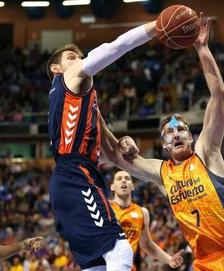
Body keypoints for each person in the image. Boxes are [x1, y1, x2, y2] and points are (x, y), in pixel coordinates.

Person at [100, 16, 224, 271]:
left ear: (191, 136)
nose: (177, 134)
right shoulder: (162, 172)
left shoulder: (206, 151)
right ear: (164, 146)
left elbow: (218, 95)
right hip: (206, 264)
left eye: (182, 129)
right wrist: (95, 112)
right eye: (169, 133)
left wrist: (202, 50)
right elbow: (116, 156)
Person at [46, 19, 158, 270]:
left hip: (72, 176)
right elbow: (115, 47)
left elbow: (111, 151)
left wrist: (124, 144)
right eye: (72, 57)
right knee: (119, 250)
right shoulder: (69, 76)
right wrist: (155, 27)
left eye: (80, 57)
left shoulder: (75, 100)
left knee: (96, 263)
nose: (79, 60)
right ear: (56, 68)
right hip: (76, 175)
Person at [109, 170, 184, 270]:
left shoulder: (142, 212)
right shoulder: (104, 208)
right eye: (119, 179)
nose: (123, 181)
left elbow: (147, 245)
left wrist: (169, 260)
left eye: (127, 178)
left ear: (132, 186)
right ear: (112, 187)